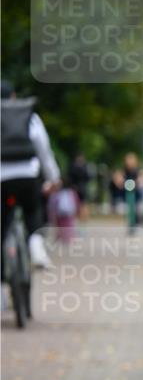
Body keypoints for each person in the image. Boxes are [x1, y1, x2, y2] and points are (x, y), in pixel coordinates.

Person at [0, 80, 60, 270]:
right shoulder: (29, 116)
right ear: (14, 96)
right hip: (28, 176)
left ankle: (1, 291)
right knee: (33, 209)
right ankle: (35, 243)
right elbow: (44, 151)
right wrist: (54, 179)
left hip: (2, 180)